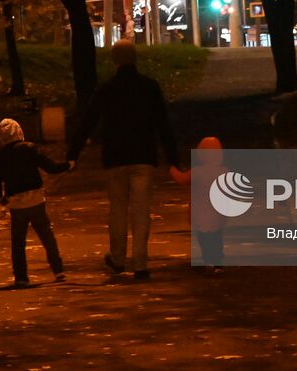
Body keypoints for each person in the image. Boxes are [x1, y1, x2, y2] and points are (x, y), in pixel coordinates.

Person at [67, 39, 179, 280]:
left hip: (116, 157)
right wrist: (173, 159)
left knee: (117, 210)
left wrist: (72, 154)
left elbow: (88, 121)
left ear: (114, 60)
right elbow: (163, 124)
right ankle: (140, 263)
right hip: (143, 157)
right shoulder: (149, 87)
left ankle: (118, 258)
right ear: (135, 58)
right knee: (141, 211)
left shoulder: (107, 88)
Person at [0, 117, 69, 288]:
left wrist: (0, 197)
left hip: (16, 203)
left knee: (18, 241)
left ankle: (21, 277)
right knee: (46, 235)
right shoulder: (29, 149)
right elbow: (50, 167)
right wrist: (67, 165)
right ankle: (58, 270)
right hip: (35, 199)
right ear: (19, 132)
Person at [170, 135, 227, 273]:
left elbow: (181, 179)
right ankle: (218, 260)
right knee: (217, 236)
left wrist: (171, 168)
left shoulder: (196, 172)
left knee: (204, 238)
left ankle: (208, 259)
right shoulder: (223, 172)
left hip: (200, 212)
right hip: (217, 212)